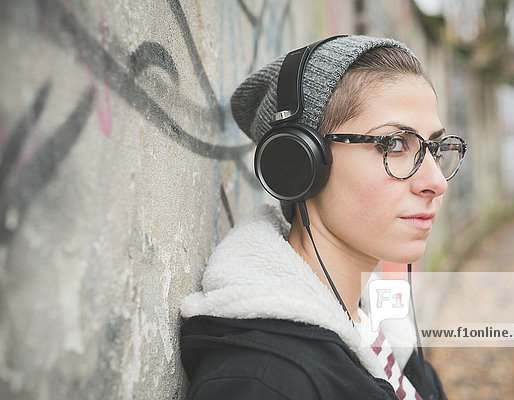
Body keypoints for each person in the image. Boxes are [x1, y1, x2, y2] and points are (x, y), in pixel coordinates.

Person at [180, 35, 466, 399]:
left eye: (435, 149)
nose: (436, 182)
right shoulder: (263, 383)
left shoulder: (381, 335)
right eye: (394, 144)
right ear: (298, 164)